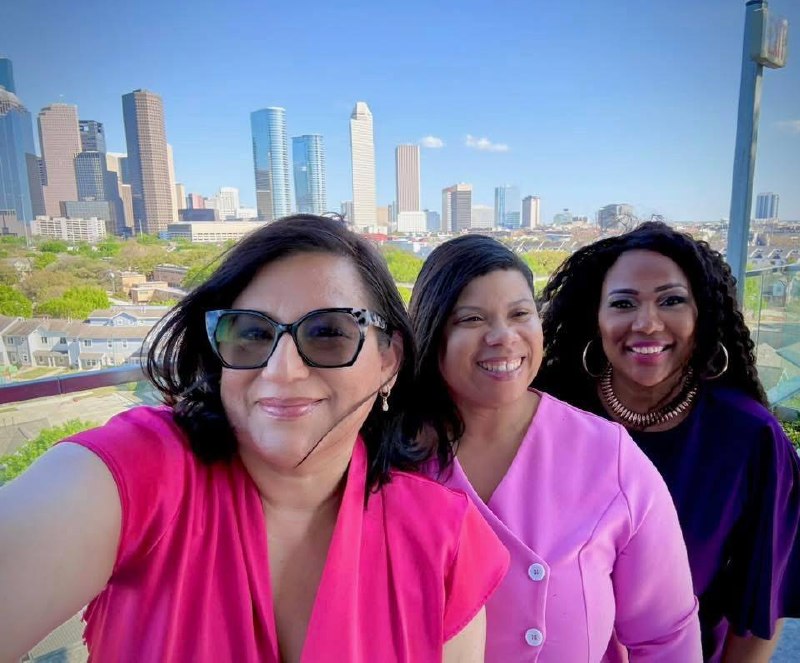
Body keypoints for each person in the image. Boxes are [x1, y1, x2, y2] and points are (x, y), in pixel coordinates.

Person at [0, 215, 509, 663]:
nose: (282, 370)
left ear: (388, 361)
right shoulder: (141, 473)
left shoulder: (444, 541)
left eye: (329, 332)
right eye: (250, 333)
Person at [409, 234, 702, 662]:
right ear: (431, 332)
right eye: (471, 319)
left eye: (520, 314)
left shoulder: (608, 457)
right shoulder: (387, 458)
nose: (503, 337)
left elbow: (666, 637)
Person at [535, 221, 800, 662]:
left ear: (702, 316)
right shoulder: (549, 416)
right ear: (595, 318)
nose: (647, 323)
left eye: (671, 300)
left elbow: (759, 612)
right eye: (623, 303)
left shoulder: (749, 440)